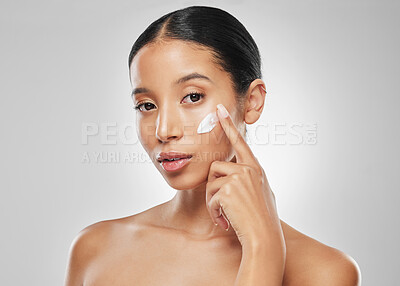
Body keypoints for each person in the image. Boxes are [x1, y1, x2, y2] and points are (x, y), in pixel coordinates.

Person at [64, 6, 361, 285]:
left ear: (252, 102)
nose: (164, 130)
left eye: (192, 97)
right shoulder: (95, 249)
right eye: (146, 105)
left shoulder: (326, 271)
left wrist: (262, 249)